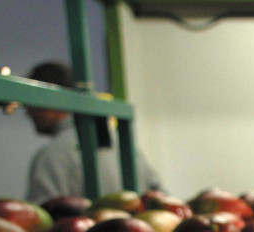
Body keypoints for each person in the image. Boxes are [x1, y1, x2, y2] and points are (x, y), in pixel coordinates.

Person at [24, 61, 163, 204]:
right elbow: (161, 199)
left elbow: (40, 219)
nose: (27, 112)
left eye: (29, 103)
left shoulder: (53, 155)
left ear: (48, 99)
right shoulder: (123, 145)